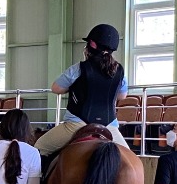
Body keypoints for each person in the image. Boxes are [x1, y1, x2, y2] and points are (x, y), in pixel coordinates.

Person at [35, 23, 129, 158]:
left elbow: (56, 88)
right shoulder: (120, 71)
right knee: (130, 159)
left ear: (92, 44)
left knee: (39, 147)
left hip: (77, 124)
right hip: (109, 126)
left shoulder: (78, 69)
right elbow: (122, 95)